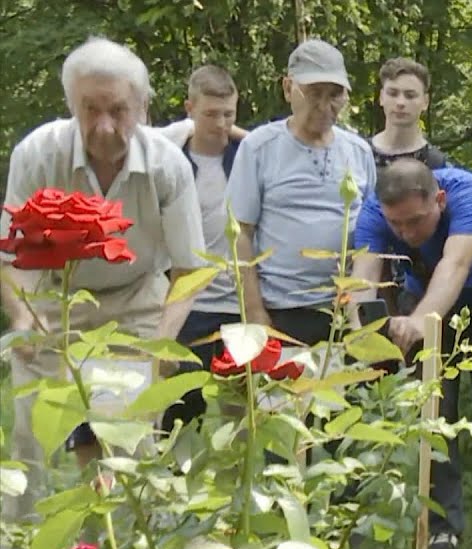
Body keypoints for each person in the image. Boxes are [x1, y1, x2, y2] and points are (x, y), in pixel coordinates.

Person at [0, 36, 205, 523]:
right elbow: (7, 251)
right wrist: (24, 317)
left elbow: (190, 269)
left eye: (117, 109)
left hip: (138, 304)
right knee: (33, 433)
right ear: (72, 105)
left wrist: (161, 347)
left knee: (124, 436)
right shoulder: (38, 154)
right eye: (90, 109)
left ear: (142, 106)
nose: (104, 125)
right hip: (52, 299)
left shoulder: (167, 165)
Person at [351, 158, 472, 549]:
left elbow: (455, 266)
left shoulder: (471, 196)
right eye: (396, 226)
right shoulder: (375, 211)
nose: (406, 234)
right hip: (421, 296)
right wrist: (359, 334)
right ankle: (443, 524)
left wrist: (417, 322)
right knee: (433, 411)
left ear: (440, 200)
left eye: (415, 222)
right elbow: (361, 279)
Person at [227, 38, 377, 346]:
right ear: (288, 88)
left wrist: (359, 308)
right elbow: (239, 234)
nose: (324, 105)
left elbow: (372, 233)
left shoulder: (359, 152)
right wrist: (256, 316)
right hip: (281, 311)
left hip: (344, 311)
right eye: (314, 93)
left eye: (335, 95)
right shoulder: (259, 147)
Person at [153, 65, 244, 430]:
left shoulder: (247, 155)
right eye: (210, 114)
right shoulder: (167, 157)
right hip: (186, 305)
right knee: (178, 413)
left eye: (228, 114)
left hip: (238, 304)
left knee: (241, 411)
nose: (220, 124)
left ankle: (241, 480)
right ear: (189, 108)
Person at [368, 57, 452, 170]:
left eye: (410, 96)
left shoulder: (437, 163)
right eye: (393, 94)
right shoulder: (359, 153)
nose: (400, 103)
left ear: (425, 102)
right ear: (381, 97)